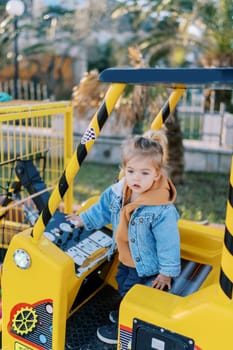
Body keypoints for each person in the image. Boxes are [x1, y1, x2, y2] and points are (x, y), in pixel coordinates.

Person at [66, 129, 181, 345]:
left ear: (157, 174)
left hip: (148, 265)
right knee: (122, 283)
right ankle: (124, 311)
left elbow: (169, 242)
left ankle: (124, 327)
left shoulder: (160, 209)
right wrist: (83, 219)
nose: (136, 178)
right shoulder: (120, 192)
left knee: (133, 294)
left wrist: (167, 273)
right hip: (127, 258)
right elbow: (101, 209)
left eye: (145, 173)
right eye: (131, 171)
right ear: (124, 169)